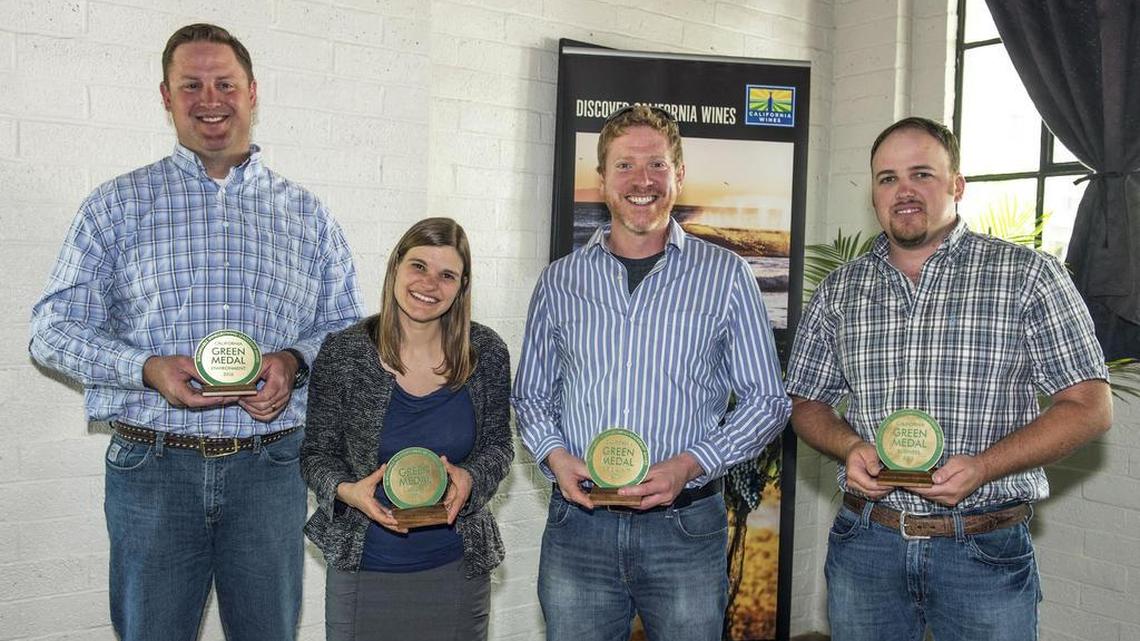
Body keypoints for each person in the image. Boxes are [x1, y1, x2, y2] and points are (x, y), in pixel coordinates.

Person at [28, 23, 362, 641]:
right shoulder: (114, 206)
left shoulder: (308, 215)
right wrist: (146, 368)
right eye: (191, 85)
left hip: (270, 470)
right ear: (166, 96)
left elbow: (345, 330)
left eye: (225, 84)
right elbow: (50, 330)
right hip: (153, 469)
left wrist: (294, 361)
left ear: (253, 92)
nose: (210, 100)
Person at [785, 116, 1113, 641]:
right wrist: (849, 447)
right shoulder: (840, 290)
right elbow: (806, 402)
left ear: (957, 185)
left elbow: (1089, 407)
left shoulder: (1027, 276)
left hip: (982, 549)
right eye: (888, 178)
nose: (904, 191)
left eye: (922, 174)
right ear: (874, 193)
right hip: (866, 544)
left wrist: (984, 467)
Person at [511, 104, 791, 641]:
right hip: (579, 527)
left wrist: (692, 463)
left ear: (678, 174)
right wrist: (555, 456)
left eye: (656, 165)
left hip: (685, 528)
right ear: (602, 179)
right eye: (625, 165)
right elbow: (531, 396)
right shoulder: (560, 281)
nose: (642, 181)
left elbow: (767, 401)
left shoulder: (726, 275)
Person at [301, 217, 513, 641]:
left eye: (447, 275)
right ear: (396, 265)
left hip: (457, 567)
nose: (429, 284)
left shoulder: (486, 351)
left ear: (462, 286)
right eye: (419, 266)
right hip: (365, 568)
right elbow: (315, 454)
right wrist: (347, 491)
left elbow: (499, 445)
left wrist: (471, 478)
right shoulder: (344, 352)